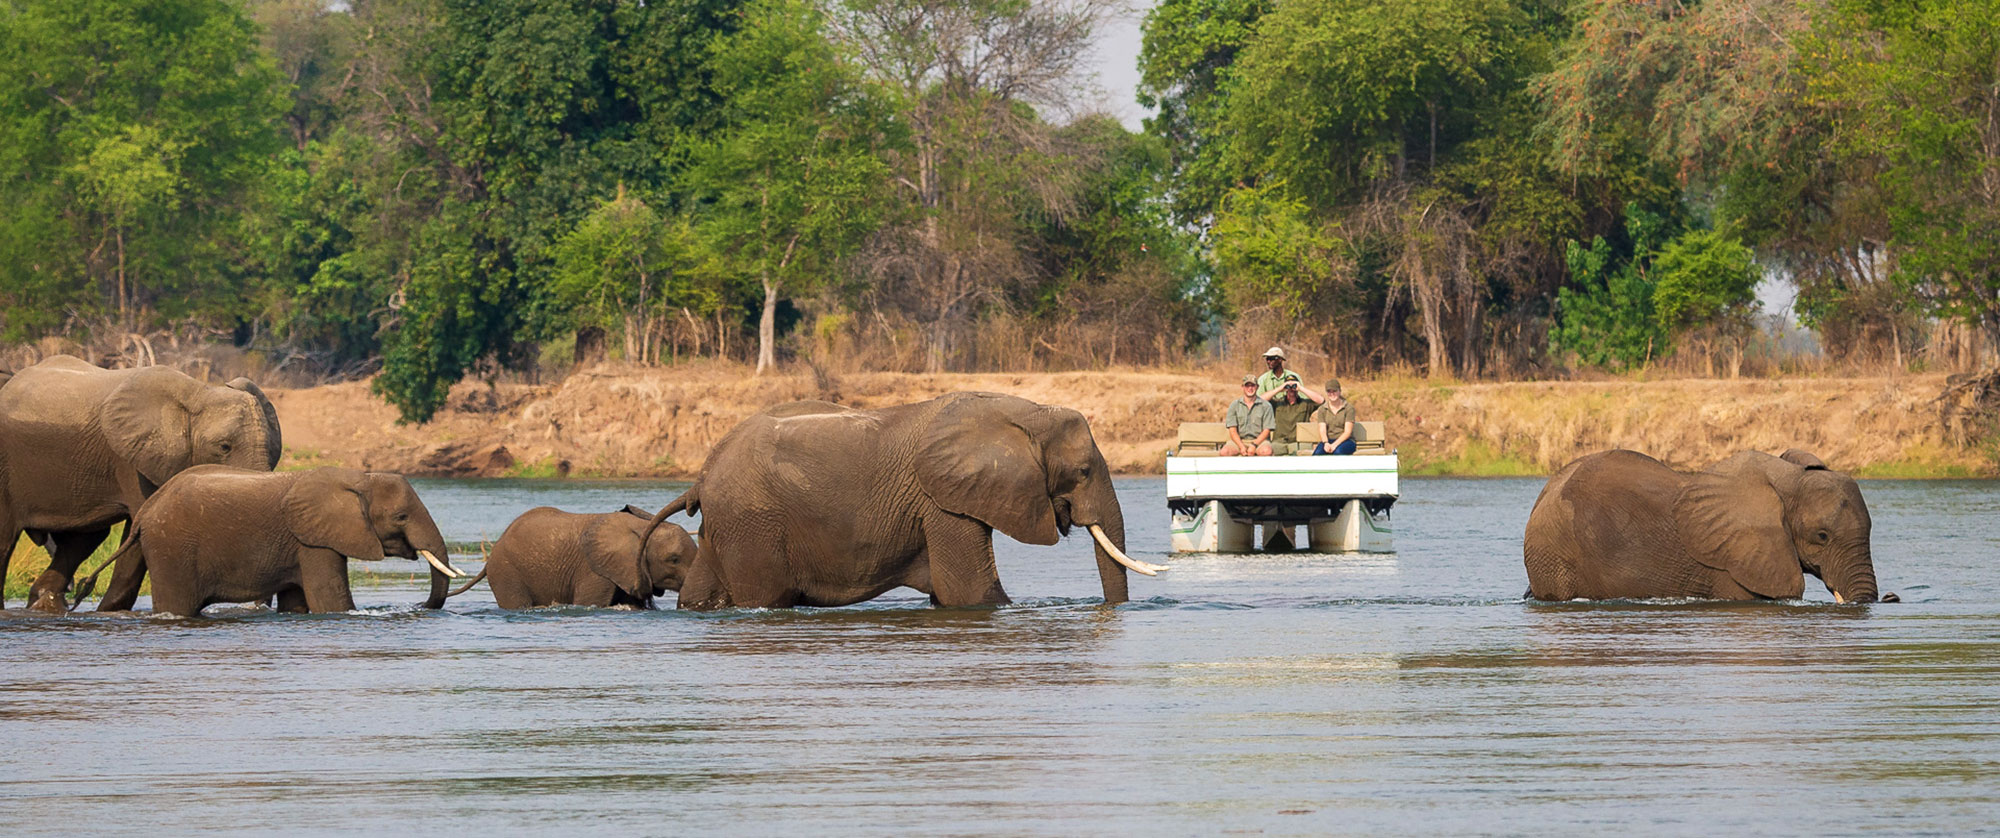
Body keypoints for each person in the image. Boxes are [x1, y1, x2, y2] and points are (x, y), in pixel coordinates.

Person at [1267, 372, 1324, 455]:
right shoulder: (1277, 403)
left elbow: (1321, 400)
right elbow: (1261, 400)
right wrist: (1279, 389)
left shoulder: (1305, 404)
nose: (1291, 389)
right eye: (1288, 387)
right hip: (1279, 442)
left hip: (1299, 442)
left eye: (1294, 387)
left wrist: (1301, 388)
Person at [1220, 374, 1274, 456]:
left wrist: (1254, 445)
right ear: (1242, 387)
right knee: (1225, 452)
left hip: (1260, 441)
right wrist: (1241, 446)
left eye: (1253, 385)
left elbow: (1266, 430)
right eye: (1247, 386)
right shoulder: (1234, 405)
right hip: (1239, 441)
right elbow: (1232, 431)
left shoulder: (1266, 406)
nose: (1250, 388)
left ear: (1257, 387)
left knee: (1266, 451)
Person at [1311, 378, 1357, 455]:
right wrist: (1326, 443)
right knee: (1317, 454)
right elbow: (1322, 430)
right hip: (1328, 440)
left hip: (1346, 441)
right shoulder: (1322, 409)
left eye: (1334, 391)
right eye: (1329, 391)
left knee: (1338, 452)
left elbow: (1347, 432)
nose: (1332, 394)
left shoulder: (1349, 408)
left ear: (1339, 391)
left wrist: (1334, 445)